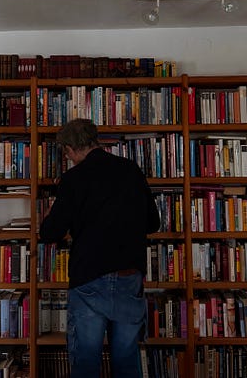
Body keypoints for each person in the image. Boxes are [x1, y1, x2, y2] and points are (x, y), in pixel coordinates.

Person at [39, 118, 160, 377]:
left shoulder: (73, 179)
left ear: (70, 149)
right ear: (94, 140)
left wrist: (50, 216)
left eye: (67, 153)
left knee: (86, 361)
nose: (68, 158)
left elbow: (50, 233)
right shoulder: (131, 170)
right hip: (129, 277)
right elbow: (154, 223)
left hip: (89, 278)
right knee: (126, 361)